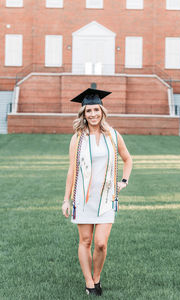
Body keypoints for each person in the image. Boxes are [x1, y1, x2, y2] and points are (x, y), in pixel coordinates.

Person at [62, 88, 132, 296]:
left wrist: (124, 181)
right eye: (88, 111)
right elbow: (72, 169)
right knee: (85, 241)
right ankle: (89, 282)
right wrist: (66, 199)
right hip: (83, 198)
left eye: (96, 110)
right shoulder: (78, 138)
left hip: (106, 198)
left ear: (102, 111)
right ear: (83, 114)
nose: (93, 114)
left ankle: (97, 277)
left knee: (101, 243)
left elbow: (128, 159)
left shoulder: (113, 136)